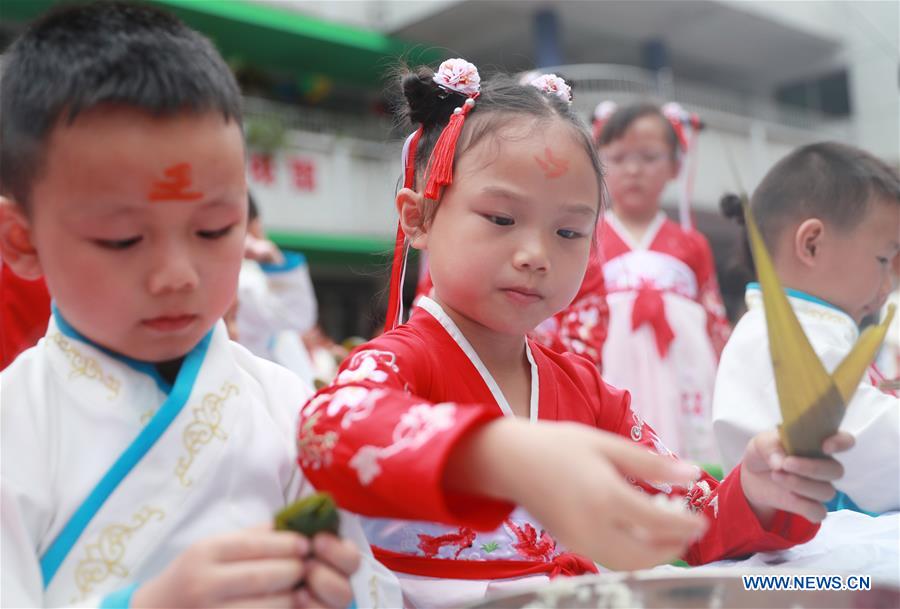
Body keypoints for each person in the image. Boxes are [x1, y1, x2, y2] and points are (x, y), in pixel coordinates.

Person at [295, 61, 852, 608]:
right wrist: (499, 452)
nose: (536, 255)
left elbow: (687, 519)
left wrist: (758, 492)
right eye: (501, 219)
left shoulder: (584, 390)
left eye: (568, 231)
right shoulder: (398, 363)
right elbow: (328, 428)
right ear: (418, 218)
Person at [0, 4, 401, 607]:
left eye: (214, 230)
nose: (178, 276)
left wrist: (334, 592)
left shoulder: (287, 403)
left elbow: (372, 585)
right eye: (123, 240)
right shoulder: (15, 426)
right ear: (22, 241)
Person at [713, 142, 900, 515]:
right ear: (811, 244)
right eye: (883, 259)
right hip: (819, 556)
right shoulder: (783, 337)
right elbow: (865, 442)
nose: (888, 282)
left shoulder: (808, 330)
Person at [584, 102, 731, 462]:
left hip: (684, 369)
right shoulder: (585, 237)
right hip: (611, 366)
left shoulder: (692, 243)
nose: (633, 170)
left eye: (649, 157)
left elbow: (713, 318)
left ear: (674, 166)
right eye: (617, 158)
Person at [235, 193, 319, 385]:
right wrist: (271, 257)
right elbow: (298, 315)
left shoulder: (249, 276)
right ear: (255, 225)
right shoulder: (245, 280)